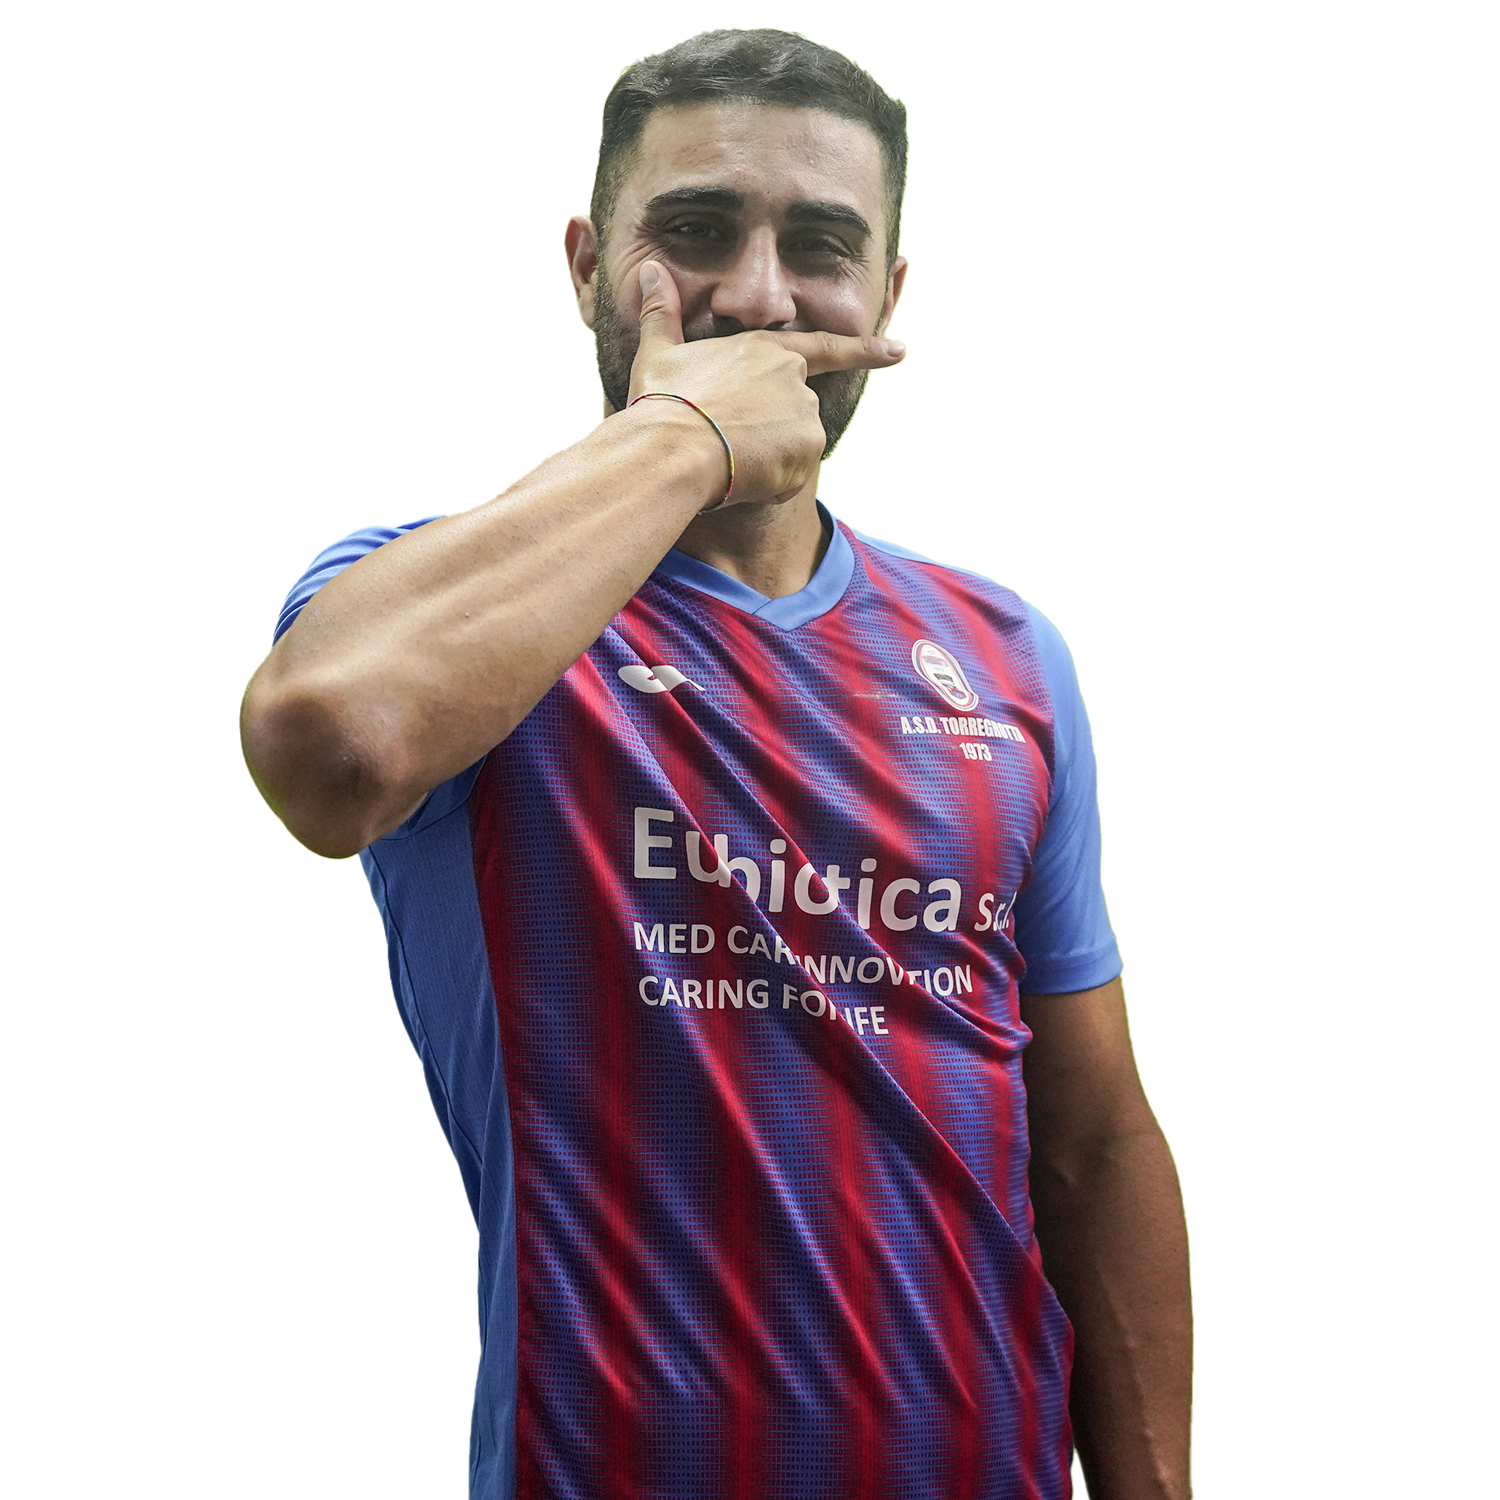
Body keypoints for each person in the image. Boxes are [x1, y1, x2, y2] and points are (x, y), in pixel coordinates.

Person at [241, 27, 1190, 1500]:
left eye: (821, 246)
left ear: (885, 293)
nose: (757, 293)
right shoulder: (438, 607)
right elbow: (333, 746)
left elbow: (1092, 1147)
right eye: (693, 229)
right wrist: (687, 432)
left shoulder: (1006, 657)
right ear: (587, 267)